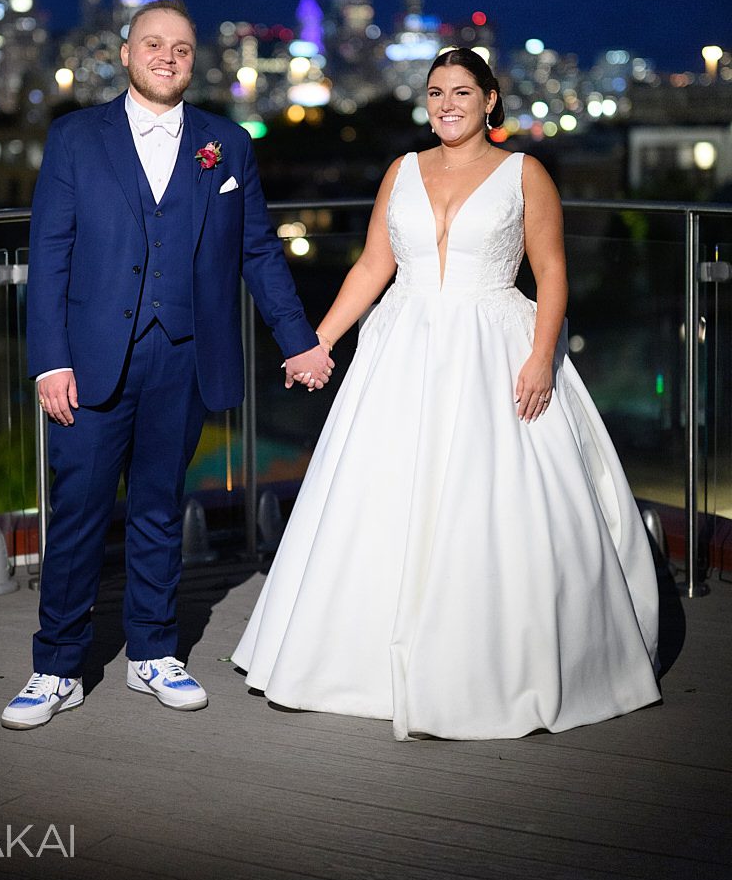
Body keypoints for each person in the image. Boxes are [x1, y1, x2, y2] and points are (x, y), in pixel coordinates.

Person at [233, 47, 661, 741]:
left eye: (463, 92)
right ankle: (355, 662)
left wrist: (541, 357)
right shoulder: (400, 170)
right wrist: (320, 341)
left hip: (494, 346)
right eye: (436, 93)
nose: (448, 104)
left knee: (485, 500)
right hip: (401, 346)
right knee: (382, 497)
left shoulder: (527, 174)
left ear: (490, 100)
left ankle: (483, 668)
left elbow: (551, 273)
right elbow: (374, 264)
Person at [2, 0, 333, 729]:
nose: (167, 57)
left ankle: (154, 652)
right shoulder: (76, 138)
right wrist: (49, 361)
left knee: (157, 509)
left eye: (181, 49)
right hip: (87, 365)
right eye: (153, 44)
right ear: (125, 53)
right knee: (80, 510)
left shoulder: (227, 144)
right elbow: (49, 253)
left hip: (183, 357)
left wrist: (299, 338)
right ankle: (56, 665)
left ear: (194, 61)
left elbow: (257, 252)